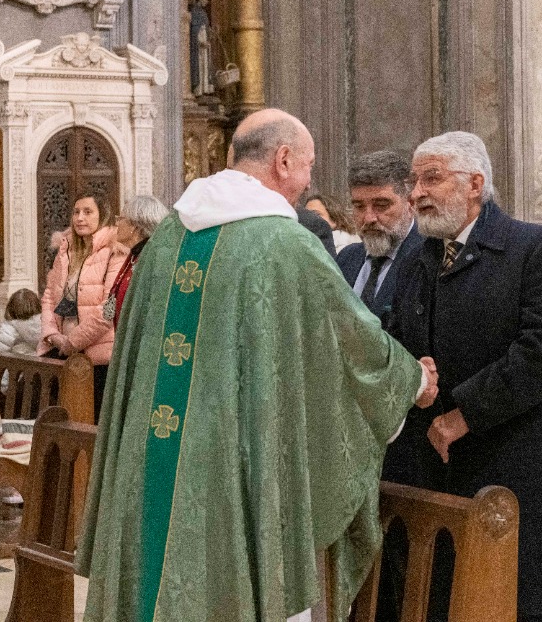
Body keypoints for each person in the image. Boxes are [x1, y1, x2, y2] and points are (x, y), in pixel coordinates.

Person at [75, 108, 437, 622]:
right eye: (309, 164)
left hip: (154, 456)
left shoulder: (166, 243)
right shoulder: (283, 245)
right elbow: (348, 337)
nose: (310, 179)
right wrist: (415, 379)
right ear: (284, 159)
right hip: (233, 463)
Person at [388, 132, 542, 622]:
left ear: (475, 184)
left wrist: (463, 414)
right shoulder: (419, 256)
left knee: (521, 601)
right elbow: (396, 332)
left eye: (431, 178)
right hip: (435, 458)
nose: (416, 192)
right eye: (414, 180)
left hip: (519, 458)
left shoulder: (538, 248)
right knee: (448, 598)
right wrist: (410, 375)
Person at [39, 192, 124, 415]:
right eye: (76, 212)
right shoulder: (66, 251)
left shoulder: (114, 252)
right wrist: (52, 334)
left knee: (88, 421)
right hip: (62, 347)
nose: (80, 218)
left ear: (103, 215)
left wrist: (73, 342)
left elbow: (110, 307)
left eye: (87, 212)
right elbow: (49, 295)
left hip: (98, 355)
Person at [336, 150, 423, 328]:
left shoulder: (429, 259)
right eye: (359, 207)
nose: (369, 218)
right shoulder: (346, 259)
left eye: (381, 205)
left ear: (410, 204)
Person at [101, 195, 170, 331]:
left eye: (120, 219)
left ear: (135, 225)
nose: (116, 224)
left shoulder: (155, 259)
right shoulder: (135, 255)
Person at [0, 288, 41, 356]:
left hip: (19, 364)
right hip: (42, 363)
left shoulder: (9, 327)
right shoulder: (44, 324)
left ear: (11, 307)